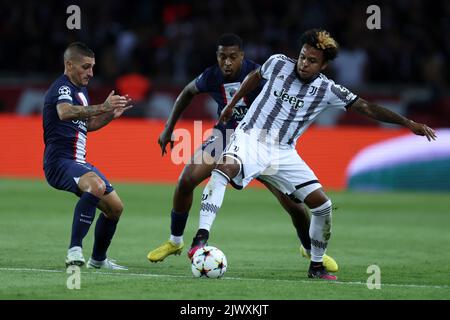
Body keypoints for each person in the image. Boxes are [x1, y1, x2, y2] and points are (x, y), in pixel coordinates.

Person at [191, 29, 437, 280]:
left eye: (311, 61)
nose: (304, 64)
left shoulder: (328, 90)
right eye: (302, 57)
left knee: (323, 206)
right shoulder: (277, 63)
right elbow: (255, 77)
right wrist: (231, 106)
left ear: (324, 65)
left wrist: (407, 123)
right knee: (223, 169)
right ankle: (200, 239)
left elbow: (367, 108)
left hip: (283, 151)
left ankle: (316, 266)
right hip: (251, 136)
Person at [147, 33, 338, 272]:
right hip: (224, 136)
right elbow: (187, 92)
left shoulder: (263, 72)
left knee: (294, 205)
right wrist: (168, 127)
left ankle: (310, 250)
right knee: (187, 179)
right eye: (222, 56)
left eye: (232, 57)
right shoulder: (211, 75)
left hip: (261, 140)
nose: (227, 62)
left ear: (242, 57)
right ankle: (175, 241)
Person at [43, 42, 133, 270]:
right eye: (85, 67)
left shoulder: (80, 91)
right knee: (96, 186)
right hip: (60, 162)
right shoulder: (62, 88)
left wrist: (111, 114)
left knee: (115, 208)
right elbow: (64, 112)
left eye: (92, 67)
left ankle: (98, 260)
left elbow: (87, 125)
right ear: (69, 64)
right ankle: (74, 250)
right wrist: (103, 106)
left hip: (78, 161)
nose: (91, 73)